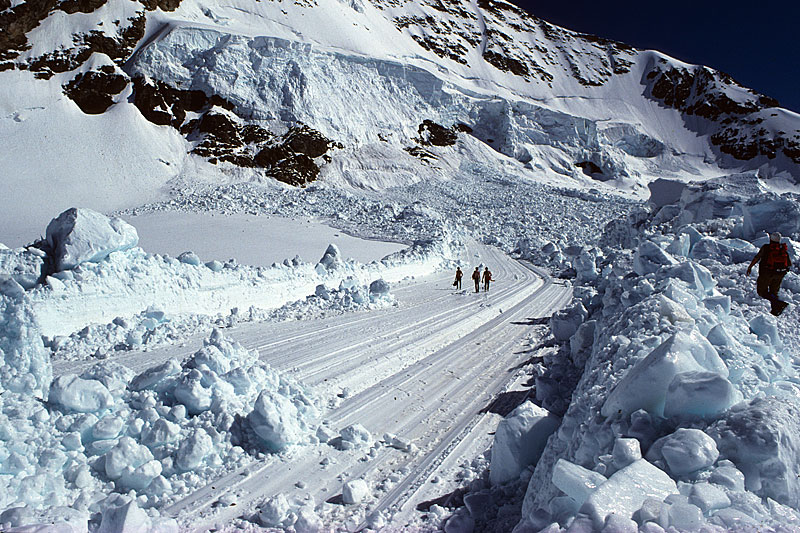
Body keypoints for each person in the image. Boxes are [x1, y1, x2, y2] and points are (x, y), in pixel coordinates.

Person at [747, 232, 792, 316]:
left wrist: (750, 266)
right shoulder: (782, 249)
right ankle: (775, 310)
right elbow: (789, 264)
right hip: (780, 273)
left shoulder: (766, 248)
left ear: (770, 239)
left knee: (762, 291)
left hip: (767, 273)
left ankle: (780, 304)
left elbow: (757, 257)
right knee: (773, 292)